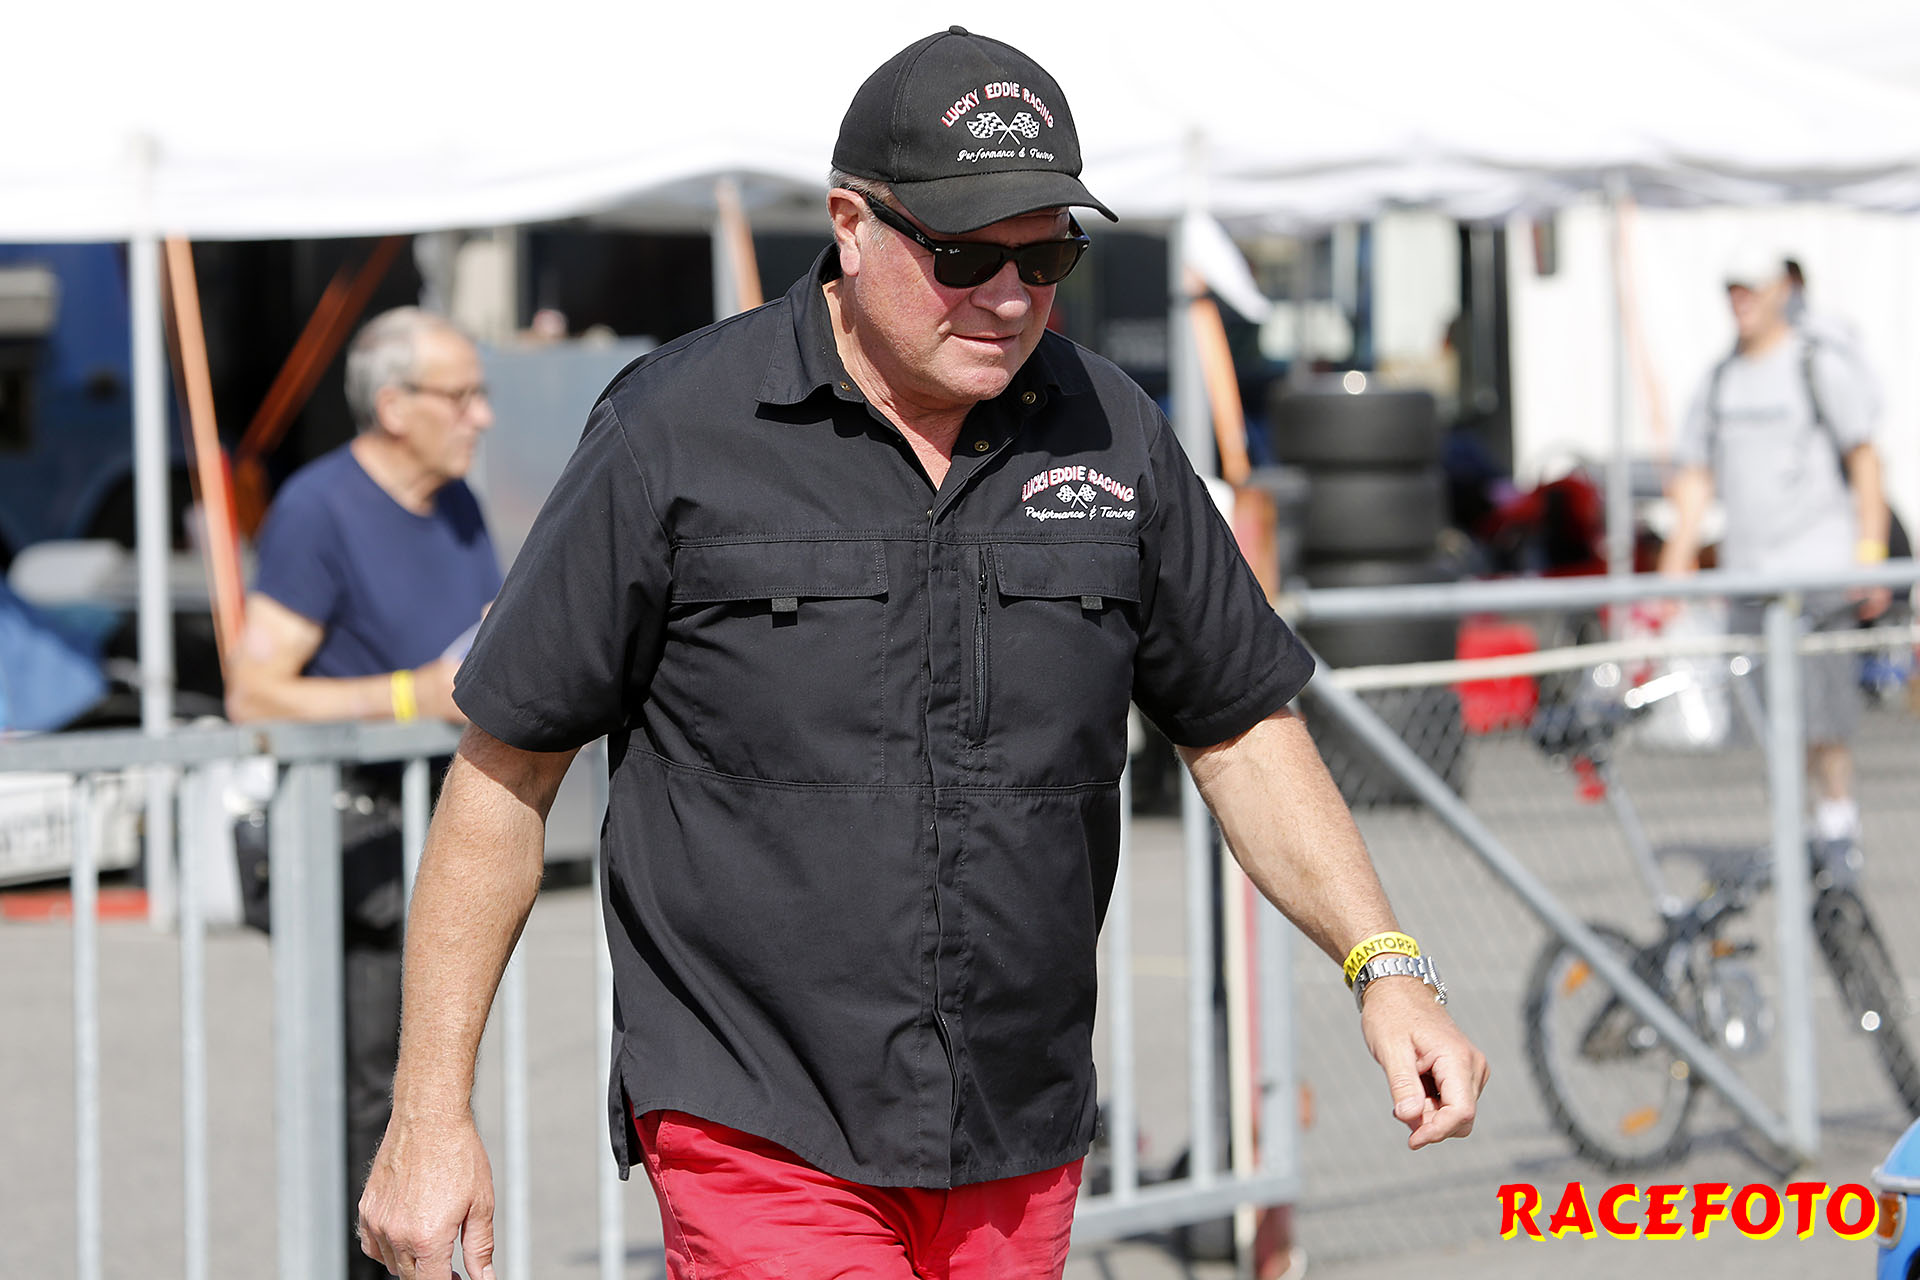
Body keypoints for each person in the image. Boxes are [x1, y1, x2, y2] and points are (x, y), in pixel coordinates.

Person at [358, 27, 1487, 1280]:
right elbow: (507, 769)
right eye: (963, 256)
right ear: (851, 225)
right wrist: (429, 1113)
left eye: (1046, 255)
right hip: (761, 1119)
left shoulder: (1113, 431)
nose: (1009, 296)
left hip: (1018, 1125)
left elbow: (1240, 725)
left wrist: (1386, 965)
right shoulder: (673, 431)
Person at [225, 306, 501, 1280]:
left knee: (430, 1093)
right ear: (392, 405)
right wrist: (407, 697)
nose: (481, 416)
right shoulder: (319, 507)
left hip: (436, 837)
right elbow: (255, 689)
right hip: (351, 848)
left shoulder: (458, 505)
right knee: (373, 1103)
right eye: (460, 396)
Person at [1658, 245, 1892, 861]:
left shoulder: (1817, 364)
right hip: (1749, 576)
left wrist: (1871, 552)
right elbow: (1696, 474)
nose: (1739, 301)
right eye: (1731, 289)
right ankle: (1795, 838)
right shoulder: (1719, 379)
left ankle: (1838, 828)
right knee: (1766, 726)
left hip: (1816, 573)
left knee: (1823, 720)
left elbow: (1865, 458)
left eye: (1750, 288)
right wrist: (1677, 557)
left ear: (1781, 289)